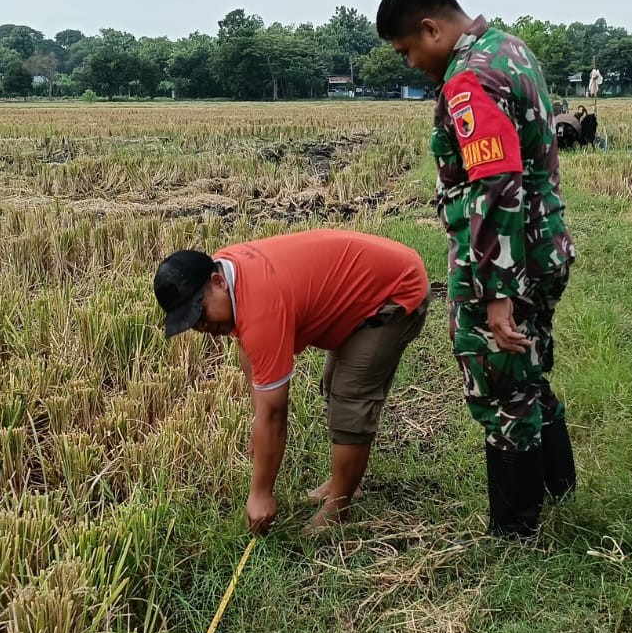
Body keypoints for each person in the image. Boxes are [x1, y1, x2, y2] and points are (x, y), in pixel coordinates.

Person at [375, 0, 576, 538]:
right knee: (528, 372)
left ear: (432, 29)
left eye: (407, 49)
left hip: (509, 259)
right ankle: (559, 488)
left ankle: (515, 534)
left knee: (500, 386)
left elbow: (497, 186)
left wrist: (495, 294)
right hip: (545, 246)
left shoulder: (469, 81)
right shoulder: (509, 50)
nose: (410, 63)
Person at [154, 229, 430, 534]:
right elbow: (251, 356)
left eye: (199, 313)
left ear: (217, 283)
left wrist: (260, 494)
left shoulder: (260, 303)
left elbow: (275, 414)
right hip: (368, 279)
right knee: (333, 383)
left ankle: (340, 505)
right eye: (192, 324)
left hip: (395, 290)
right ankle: (346, 482)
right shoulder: (225, 273)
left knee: (350, 399)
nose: (202, 326)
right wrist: (258, 424)